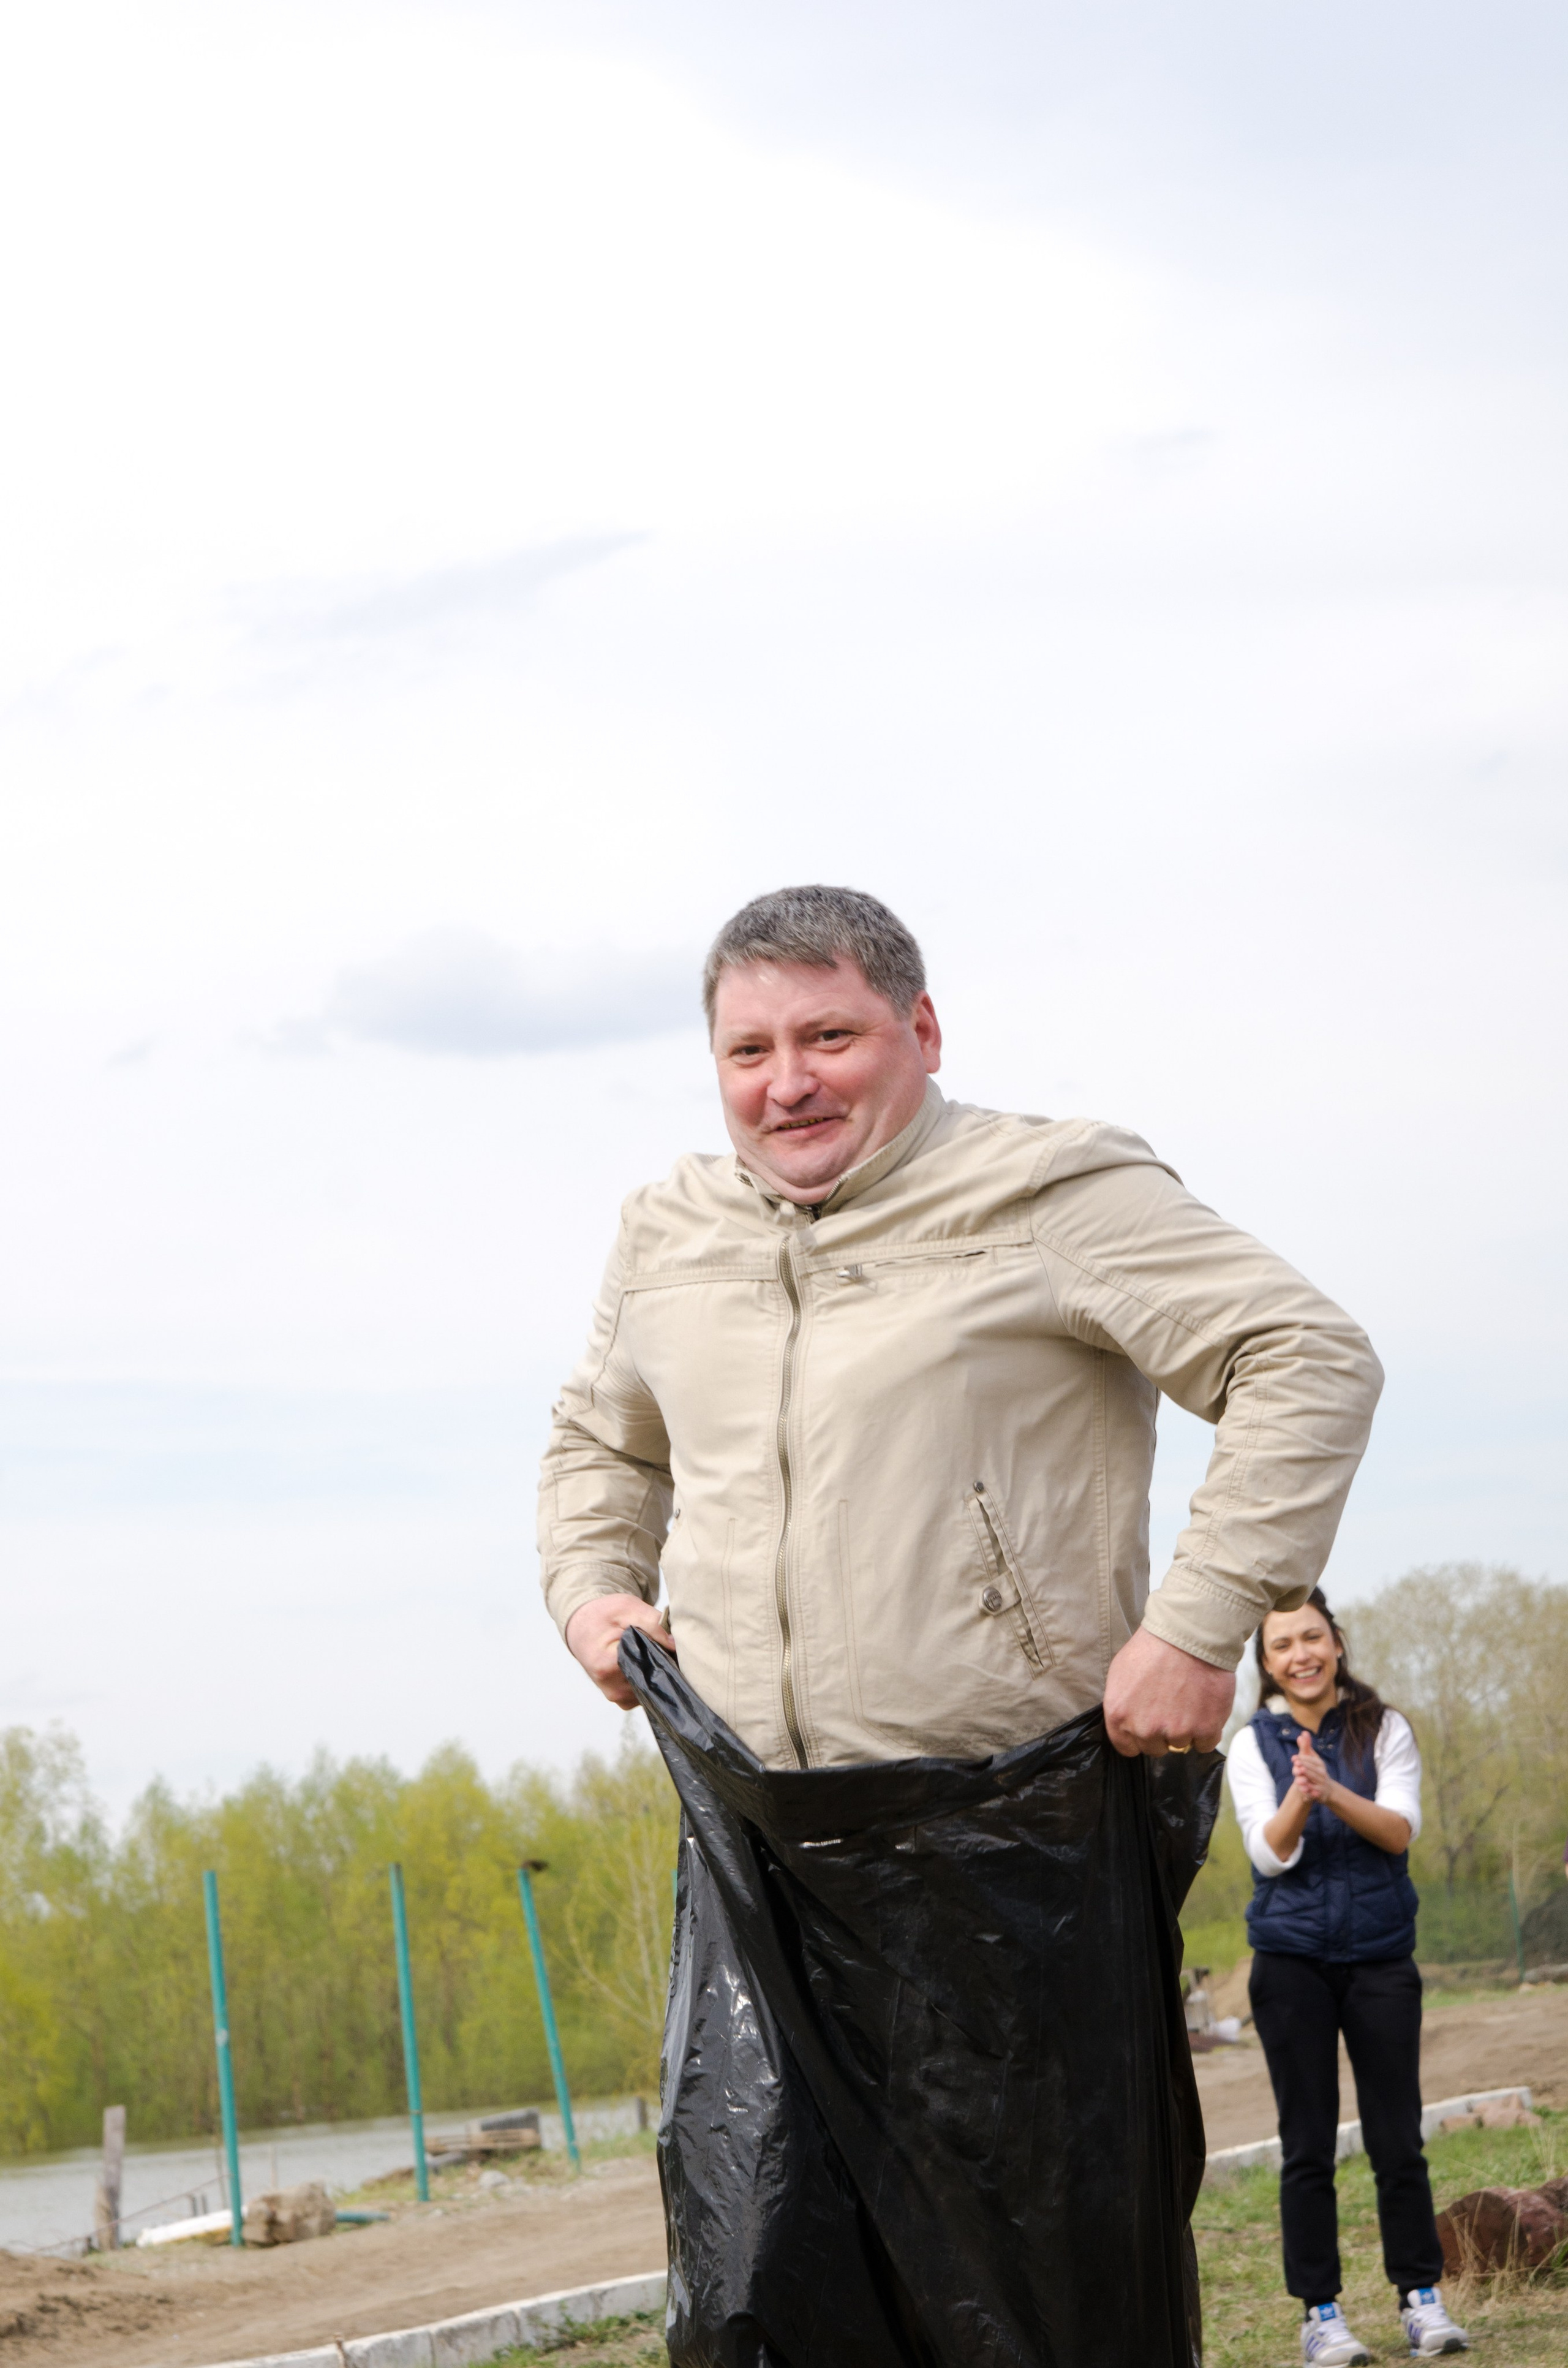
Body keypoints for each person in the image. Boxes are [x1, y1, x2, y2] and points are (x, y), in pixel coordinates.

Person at [538, 883, 1385, 2361]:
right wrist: (591, 1586)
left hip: (1012, 1861)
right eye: (747, 1051)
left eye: (828, 1035)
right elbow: (601, 1441)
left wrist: (1193, 1626)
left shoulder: (1046, 1193)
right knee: (765, 2297)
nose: (785, 1082)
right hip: (761, 1858)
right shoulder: (668, 1231)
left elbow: (1303, 1355)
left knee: (1038, 2306)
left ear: (917, 1031)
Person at [1227, 1589, 1469, 2363]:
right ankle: (1321, 2315)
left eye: (1312, 1637)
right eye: (1282, 1645)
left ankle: (1420, 2301)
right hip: (1289, 1965)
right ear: (1265, 1662)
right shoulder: (1248, 1744)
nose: (1301, 1654)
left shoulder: (1384, 1728)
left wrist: (1332, 1786)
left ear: (1335, 1643)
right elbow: (1269, 1855)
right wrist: (1300, 1797)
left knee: (1398, 2136)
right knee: (1306, 2145)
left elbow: (1397, 1832)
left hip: (1379, 1959)